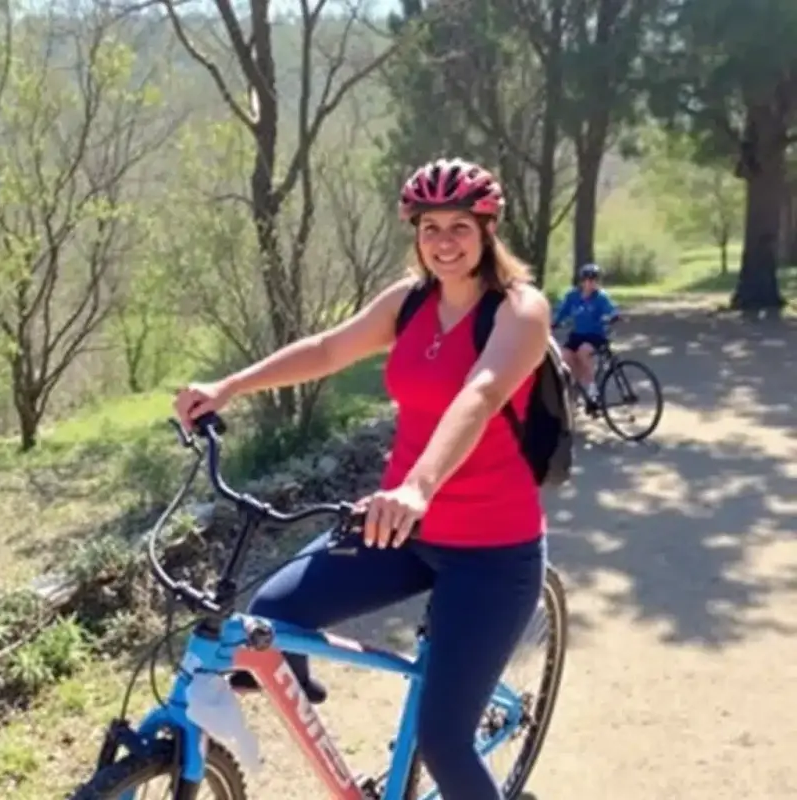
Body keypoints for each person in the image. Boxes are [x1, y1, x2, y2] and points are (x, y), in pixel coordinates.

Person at [174, 158, 551, 800]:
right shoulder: (410, 302)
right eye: (430, 228)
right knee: (273, 611)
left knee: (445, 742)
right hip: (398, 529)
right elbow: (327, 349)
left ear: (488, 229)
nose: (444, 242)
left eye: (460, 226)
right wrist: (230, 386)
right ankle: (315, 720)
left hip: (491, 551)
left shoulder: (520, 310)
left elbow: (482, 394)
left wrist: (418, 487)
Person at [553, 262, 619, 409]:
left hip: (595, 336)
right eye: (588, 280)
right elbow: (562, 312)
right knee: (565, 357)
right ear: (582, 281)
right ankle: (575, 391)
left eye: (595, 280)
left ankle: (592, 389)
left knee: (584, 351)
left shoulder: (601, 297)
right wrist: (553, 322)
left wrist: (614, 315)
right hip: (577, 335)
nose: (591, 283)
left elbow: (611, 308)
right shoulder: (572, 296)